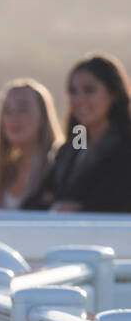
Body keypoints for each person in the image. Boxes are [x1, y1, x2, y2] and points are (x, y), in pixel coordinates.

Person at [23, 54, 131, 213]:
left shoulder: (125, 149)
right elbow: (33, 204)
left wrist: (76, 207)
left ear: (113, 94)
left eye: (89, 90)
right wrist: (58, 206)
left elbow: (118, 204)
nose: (79, 99)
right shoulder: (69, 151)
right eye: (73, 91)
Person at [0, 79, 62, 210]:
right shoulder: (5, 171)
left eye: (23, 109)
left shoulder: (58, 166)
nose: (13, 118)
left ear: (43, 115)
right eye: (7, 110)